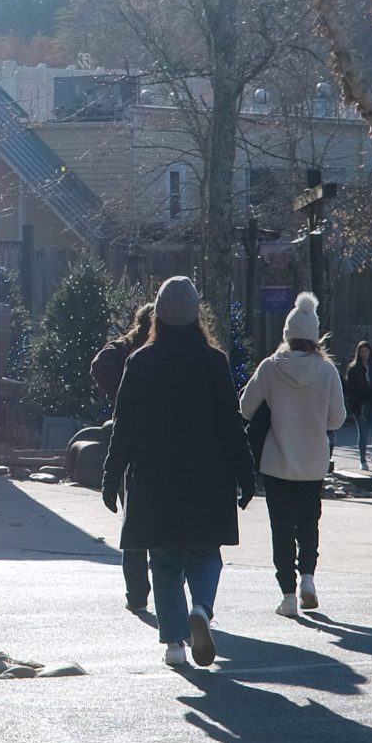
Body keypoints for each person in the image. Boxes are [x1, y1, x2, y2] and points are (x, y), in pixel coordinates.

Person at [101, 276, 256, 669]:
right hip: (208, 478)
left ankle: (174, 644)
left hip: (155, 480)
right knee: (205, 555)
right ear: (194, 316)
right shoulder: (214, 362)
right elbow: (230, 423)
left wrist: (110, 475)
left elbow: (124, 427)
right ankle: (201, 608)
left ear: (159, 315)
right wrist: (245, 474)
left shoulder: (139, 362)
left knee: (164, 561)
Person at [239, 292, 347, 616]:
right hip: (313, 462)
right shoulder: (327, 371)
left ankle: (287, 595)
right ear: (315, 336)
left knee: (281, 529)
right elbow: (337, 418)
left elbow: (245, 408)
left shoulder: (270, 367)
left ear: (287, 333)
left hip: (277, 462)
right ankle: (309, 579)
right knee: (309, 523)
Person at [90, 303, 156, 611]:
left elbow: (100, 364)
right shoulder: (150, 350)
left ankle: (136, 594)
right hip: (155, 440)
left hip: (128, 440)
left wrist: (117, 394)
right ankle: (167, 587)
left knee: (134, 521)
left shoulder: (125, 349)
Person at [343, 340, 372, 470]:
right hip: (361, 406)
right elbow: (351, 391)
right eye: (361, 352)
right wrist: (355, 409)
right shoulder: (353, 369)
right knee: (363, 434)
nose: (364, 354)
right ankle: (363, 461)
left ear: (370, 352)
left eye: (366, 351)